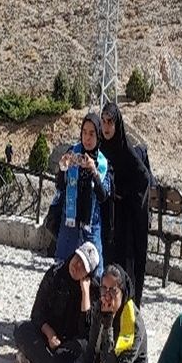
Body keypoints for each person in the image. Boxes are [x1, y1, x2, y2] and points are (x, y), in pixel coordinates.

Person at [66, 264, 149, 363]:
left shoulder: (134, 323)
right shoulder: (99, 307)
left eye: (113, 291)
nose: (107, 296)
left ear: (123, 293)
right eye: (104, 289)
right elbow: (90, 348)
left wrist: (108, 324)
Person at [13, 241, 100, 363]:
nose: (77, 266)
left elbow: (87, 332)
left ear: (88, 273)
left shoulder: (94, 291)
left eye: (83, 266)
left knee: (82, 351)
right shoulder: (55, 274)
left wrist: (85, 293)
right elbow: (37, 313)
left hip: (70, 344)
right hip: (48, 337)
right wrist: (49, 333)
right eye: (77, 259)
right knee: (21, 330)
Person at [99, 102, 151, 306]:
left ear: (117, 123)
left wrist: (125, 195)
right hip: (105, 217)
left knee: (123, 267)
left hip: (124, 221)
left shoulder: (126, 150)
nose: (106, 127)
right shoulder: (101, 148)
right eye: (103, 122)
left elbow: (143, 178)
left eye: (110, 122)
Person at [52, 113, 111, 277]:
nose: (87, 138)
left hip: (91, 224)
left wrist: (94, 172)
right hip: (70, 223)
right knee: (63, 269)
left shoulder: (102, 163)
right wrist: (63, 168)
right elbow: (60, 186)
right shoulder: (73, 152)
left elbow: (103, 196)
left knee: (93, 272)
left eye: (92, 133)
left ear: (98, 135)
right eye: (84, 132)